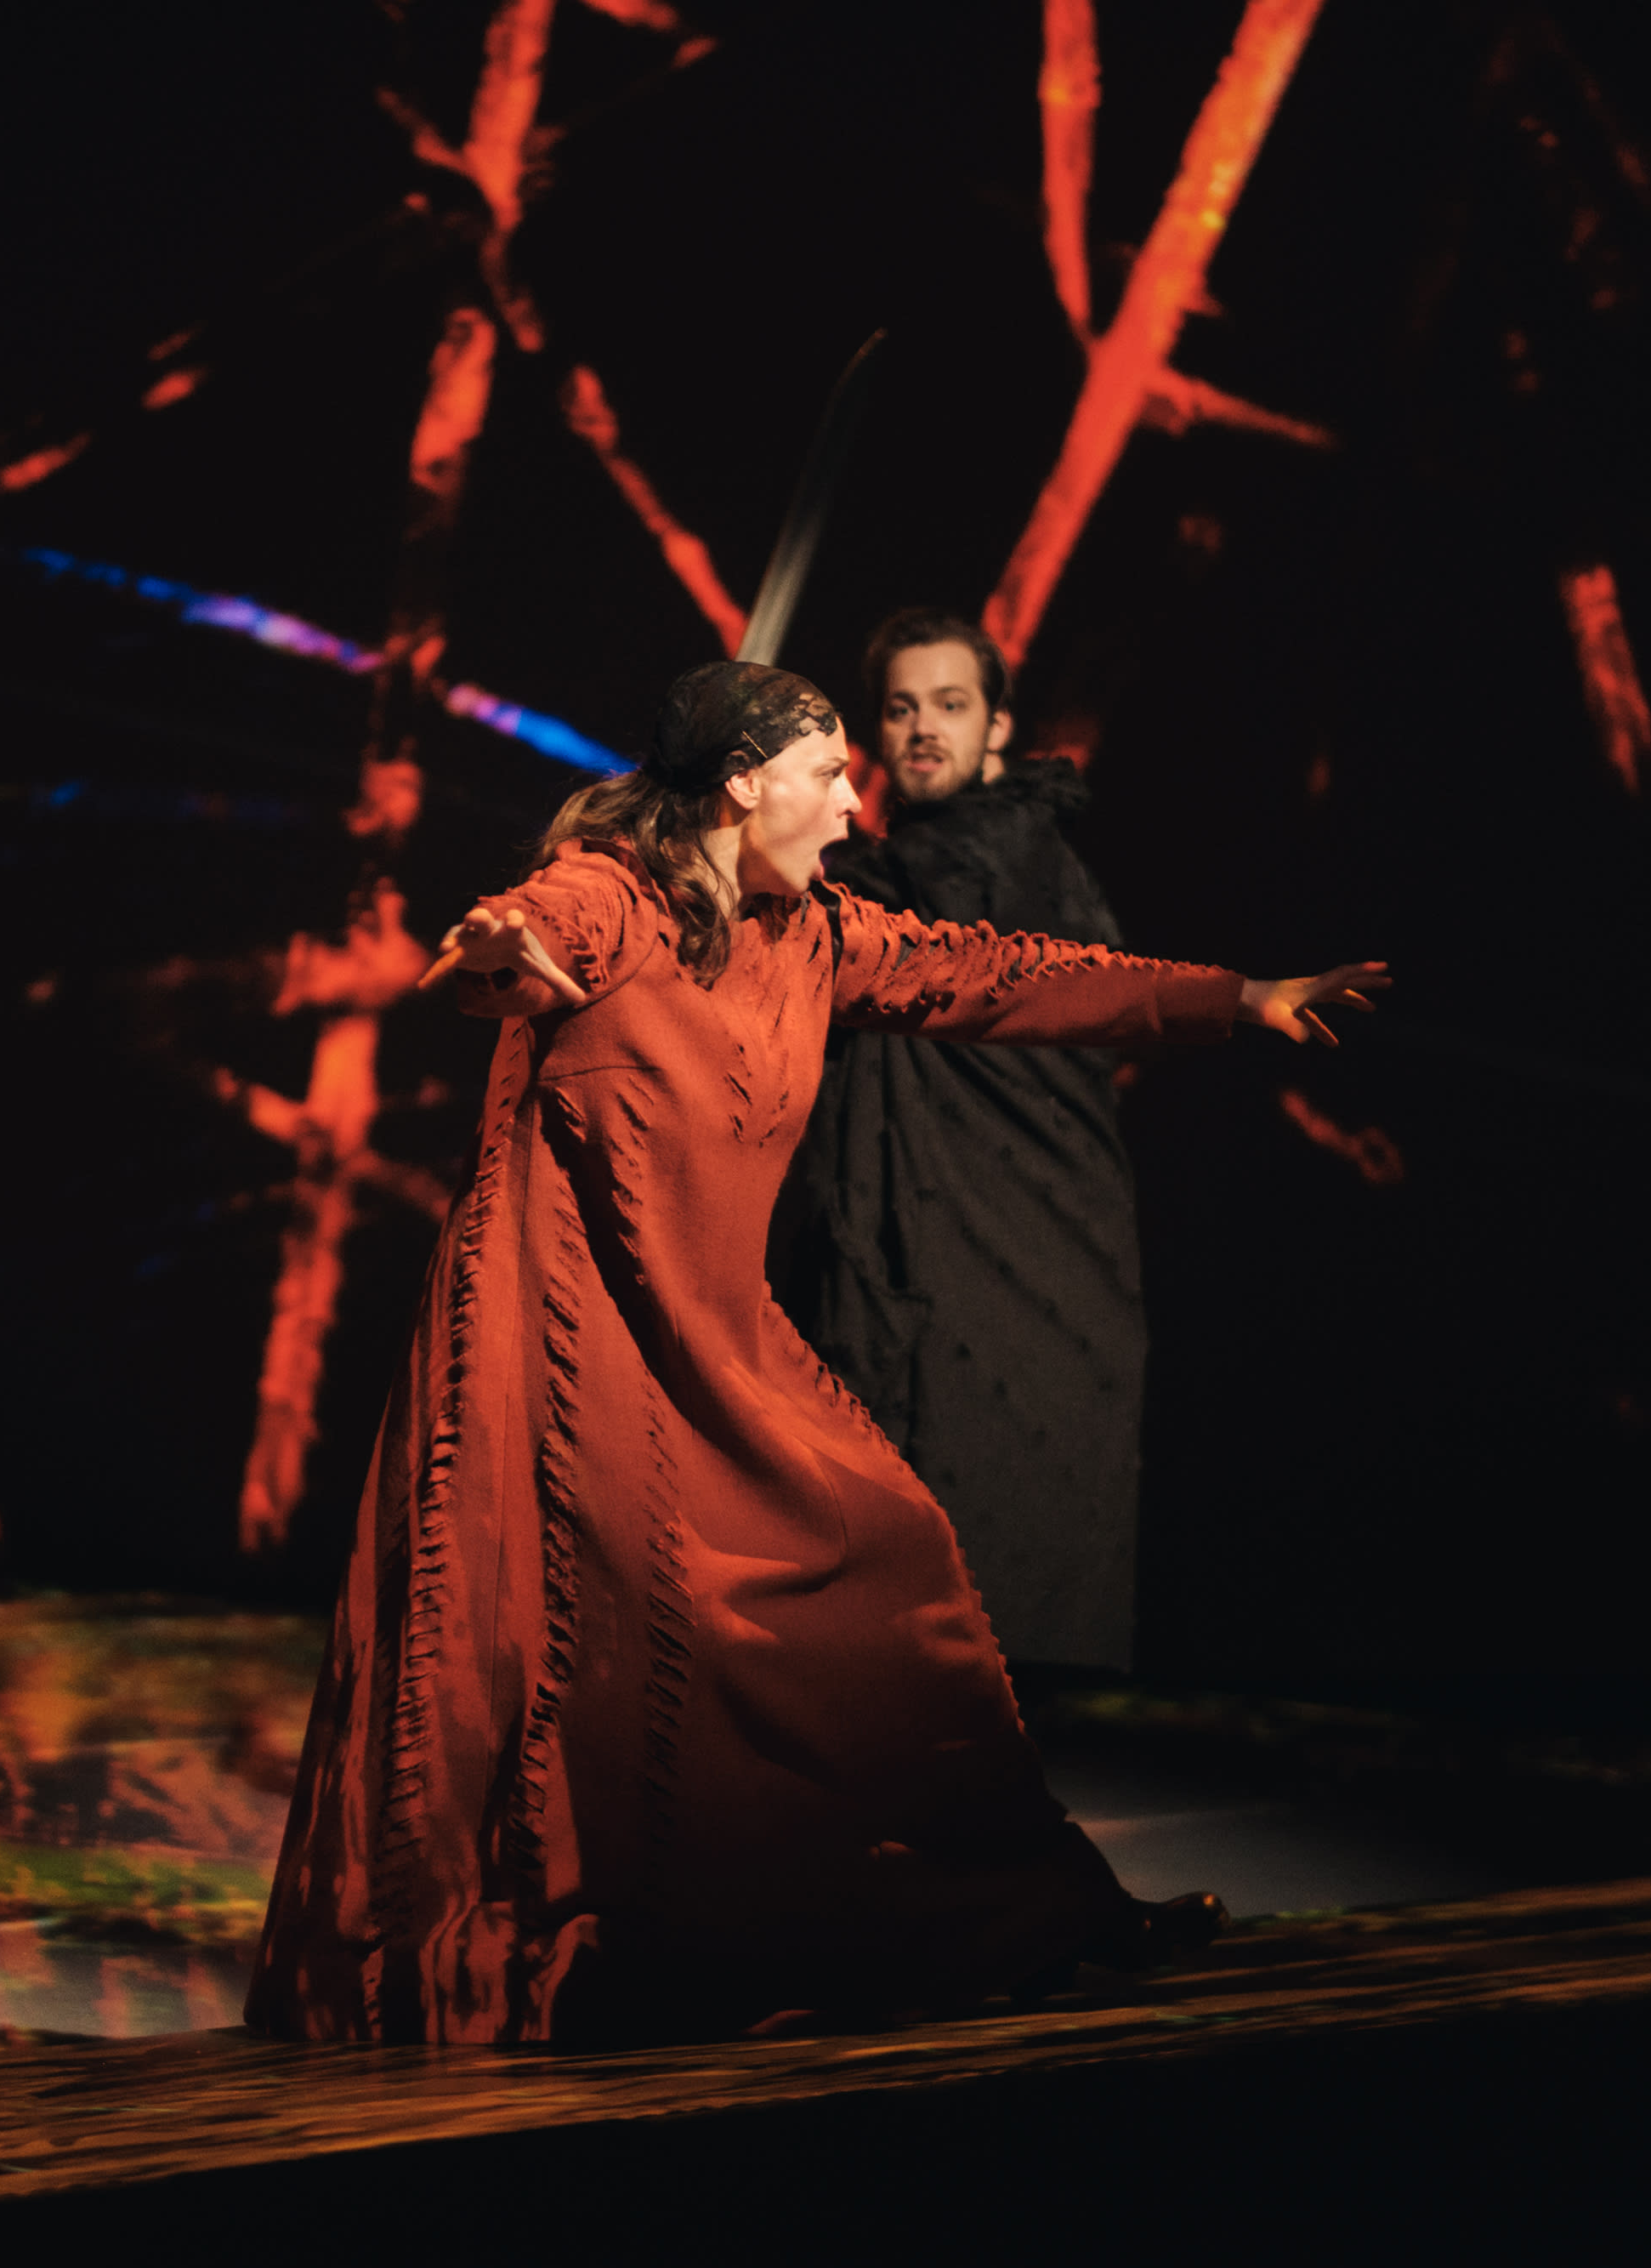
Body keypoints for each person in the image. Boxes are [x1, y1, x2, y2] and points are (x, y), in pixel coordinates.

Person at [247, 660, 1382, 2044]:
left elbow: (1001, 975)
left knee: (886, 1549)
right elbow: (521, 936)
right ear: (742, 783)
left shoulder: (816, 933)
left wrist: (1236, 997)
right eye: (830, 771)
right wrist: (498, 949)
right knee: (603, 1640)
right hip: (564, 1333)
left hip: (714, 1327)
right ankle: (578, 1940)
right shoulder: (614, 894)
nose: (856, 799)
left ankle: (1011, 1908)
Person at [769, 606, 1149, 1668]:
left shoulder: (1004, 856)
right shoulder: (894, 871)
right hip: (912, 1260)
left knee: (993, 1577)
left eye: (949, 705)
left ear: (997, 728)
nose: (923, 728)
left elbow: (879, 924)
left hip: (1033, 1275)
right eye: (901, 709)